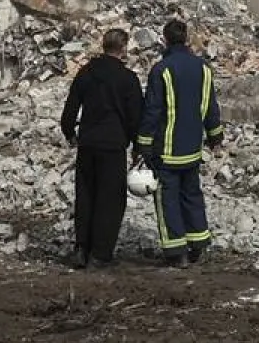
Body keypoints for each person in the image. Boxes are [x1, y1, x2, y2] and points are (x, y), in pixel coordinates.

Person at [135, 18, 224, 267]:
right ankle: (198, 244)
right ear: (186, 38)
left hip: (167, 151)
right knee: (192, 195)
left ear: (165, 39)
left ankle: (177, 252)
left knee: (168, 200)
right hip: (192, 148)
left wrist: (142, 144)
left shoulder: (161, 70)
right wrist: (216, 136)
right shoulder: (204, 68)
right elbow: (210, 108)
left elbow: (152, 111)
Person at [59, 28, 143, 270]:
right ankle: (101, 253)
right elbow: (135, 117)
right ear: (123, 48)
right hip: (113, 145)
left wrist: (70, 133)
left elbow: (70, 108)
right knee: (110, 199)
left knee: (85, 195)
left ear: (103, 46)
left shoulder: (87, 73)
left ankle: (81, 248)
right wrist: (138, 146)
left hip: (88, 143)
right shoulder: (128, 79)